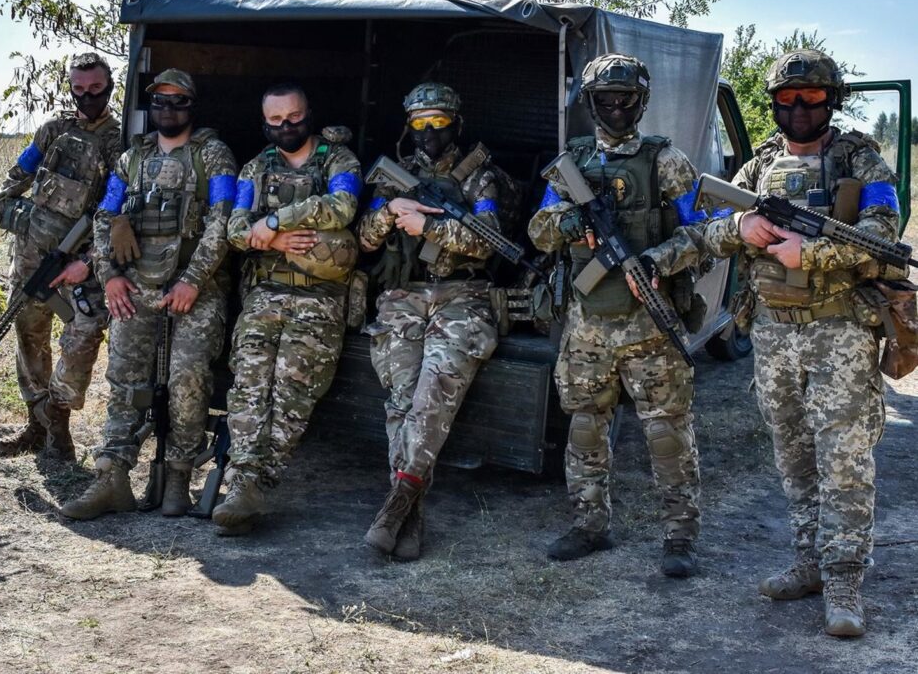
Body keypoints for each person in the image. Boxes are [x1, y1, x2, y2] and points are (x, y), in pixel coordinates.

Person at [699, 49, 897, 637]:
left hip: (839, 333)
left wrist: (810, 252)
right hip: (773, 334)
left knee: (844, 459)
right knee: (793, 454)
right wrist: (740, 226)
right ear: (775, 104)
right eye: (788, 98)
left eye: (812, 97)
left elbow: (882, 235)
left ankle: (844, 582)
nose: (800, 108)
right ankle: (809, 562)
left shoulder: (861, 159)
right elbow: (700, 227)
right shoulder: (759, 166)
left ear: (831, 101)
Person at [528, 53, 706, 578]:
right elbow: (538, 229)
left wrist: (659, 259)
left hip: (652, 325)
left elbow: (705, 233)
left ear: (641, 102)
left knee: (667, 433)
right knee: (585, 427)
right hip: (587, 325)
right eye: (605, 99)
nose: (615, 109)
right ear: (590, 103)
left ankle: (679, 535)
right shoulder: (572, 163)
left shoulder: (667, 161)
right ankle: (589, 524)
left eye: (625, 99)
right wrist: (569, 223)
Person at [60, 68, 236, 519]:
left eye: (178, 101)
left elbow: (222, 222)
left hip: (195, 289)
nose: (167, 109)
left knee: (187, 381)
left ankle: (177, 476)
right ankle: (112, 477)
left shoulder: (213, 155)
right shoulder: (132, 159)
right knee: (124, 380)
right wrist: (109, 276)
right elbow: (104, 216)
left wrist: (193, 280)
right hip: (135, 286)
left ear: (191, 106)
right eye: (159, 101)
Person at [356, 82, 499, 560]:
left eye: (438, 122)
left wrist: (431, 227)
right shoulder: (395, 177)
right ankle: (410, 514)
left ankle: (397, 503)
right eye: (419, 123)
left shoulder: (479, 177)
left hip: (462, 296)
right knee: (401, 402)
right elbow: (365, 240)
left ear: (456, 124)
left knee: (430, 398)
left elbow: (489, 241)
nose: (429, 132)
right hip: (404, 295)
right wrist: (390, 212)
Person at [210, 83, 361, 536]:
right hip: (266, 291)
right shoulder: (256, 168)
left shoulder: (338, 160)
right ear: (265, 123)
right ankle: (241, 484)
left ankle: (258, 482)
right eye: (275, 120)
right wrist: (272, 241)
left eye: (293, 117)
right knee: (249, 385)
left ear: (308, 114)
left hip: (320, 295)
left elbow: (343, 207)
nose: (285, 127)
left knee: (292, 389)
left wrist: (277, 221)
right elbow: (236, 228)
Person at [0, 53, 122, 461]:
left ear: (110, 86)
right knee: (29, 338)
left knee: (83, 336)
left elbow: (118, 211)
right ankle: (41, 430)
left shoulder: (119, 142)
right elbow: (17, 177)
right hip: (31, 256)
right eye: (79, 89)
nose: (87, 96)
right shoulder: (53, 129)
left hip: (79, 265)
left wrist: (88, 261)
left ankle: (56, 412)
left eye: (96, 88)